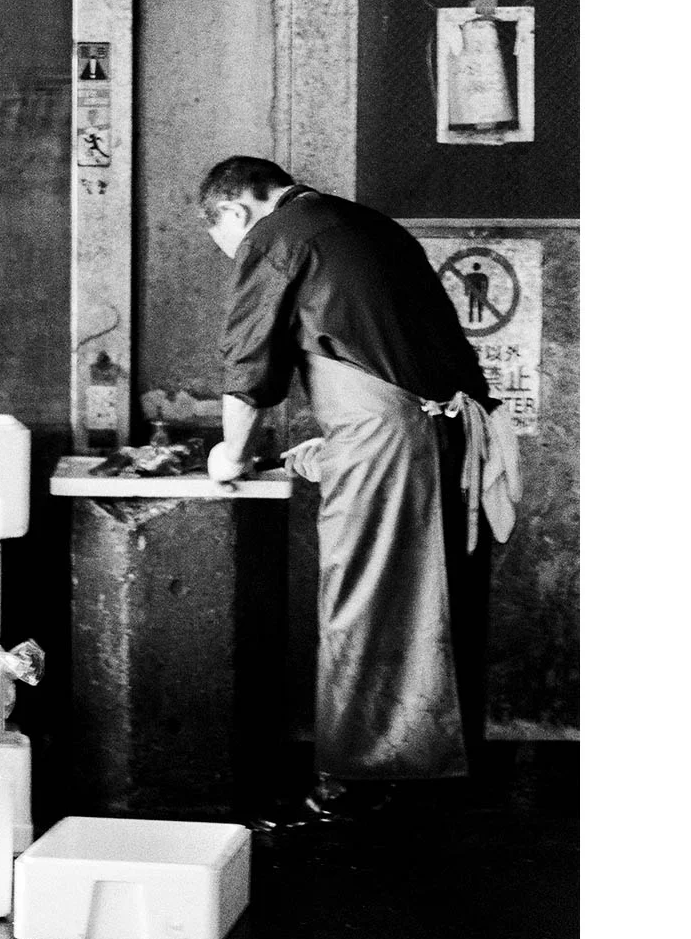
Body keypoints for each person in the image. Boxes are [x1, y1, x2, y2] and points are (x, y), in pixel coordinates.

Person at [199, 155, 505, 828]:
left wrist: (230, 455)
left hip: (389, 443)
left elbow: (249, 368)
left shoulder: (278, 237)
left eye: (226, 242)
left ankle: (352, 786)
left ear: (235, 211)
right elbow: (382, 357)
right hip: (438, 433)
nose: (235, 255)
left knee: (363, 599)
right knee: (431, 599)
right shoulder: (364, 226)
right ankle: (419, 775)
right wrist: (335, 446)